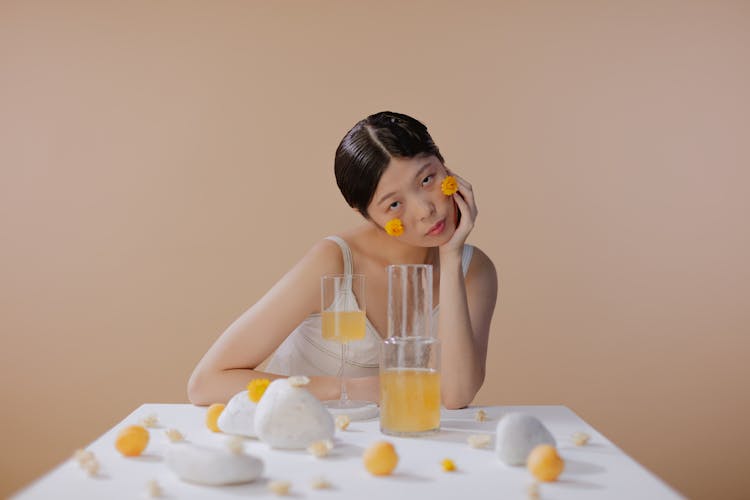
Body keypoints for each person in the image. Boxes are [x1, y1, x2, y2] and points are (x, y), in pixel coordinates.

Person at [188, 111, 497, 409]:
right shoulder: (334, 261)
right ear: (366, 215)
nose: (425, 210)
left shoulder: (474, 271)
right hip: (306, 440)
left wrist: (452, 254)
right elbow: (206, 383)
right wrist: (356, 389)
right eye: (393, 204)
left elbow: (455, 395)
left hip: (399, 447)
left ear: (445, 166)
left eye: (427, 179)